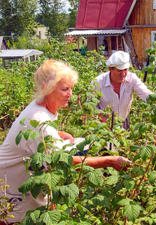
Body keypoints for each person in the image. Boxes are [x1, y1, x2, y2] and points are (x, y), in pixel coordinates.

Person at [0, 59, 131, 224]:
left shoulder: (41, 109)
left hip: (27, 180)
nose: (70, 94)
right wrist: (110, 161)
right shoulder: (38, 119)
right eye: (64, 89)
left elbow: (36, 137)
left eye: (71, 88)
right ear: (46, 88)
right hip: (11, 185)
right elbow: (61, 163)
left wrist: (58, 134)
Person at [91, 51, 152, 128]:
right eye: (119, 70)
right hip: (102, 124)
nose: (123, 74)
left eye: (125, 69)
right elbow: (90, 106)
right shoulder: (98, 82)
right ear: (110, 69)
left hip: (124, 122)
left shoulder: (132, 78)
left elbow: (146, 94)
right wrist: (103, 121)